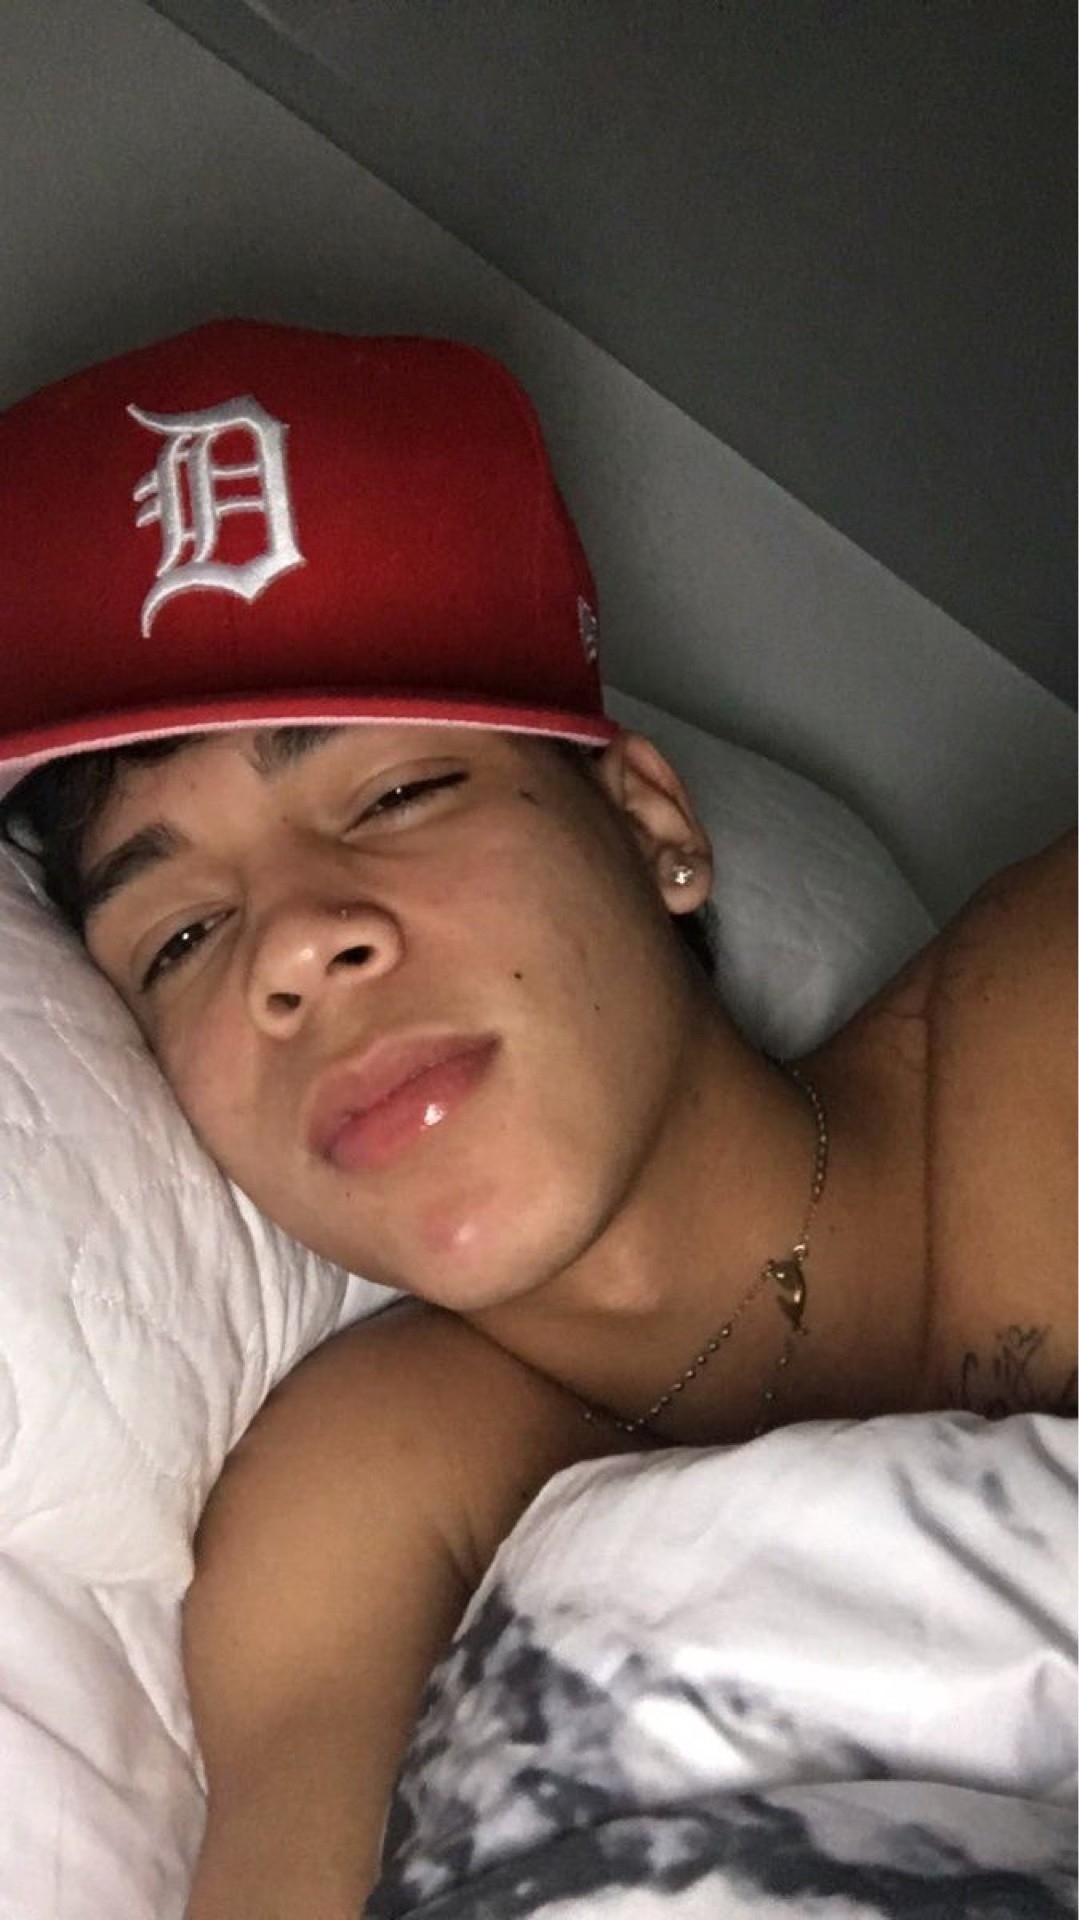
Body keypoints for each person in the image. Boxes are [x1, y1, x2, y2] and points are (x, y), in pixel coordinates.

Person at [0, 320, 1074, 1918]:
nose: (296, 948)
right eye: (183, 936)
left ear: (649, 827)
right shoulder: (368, 1497)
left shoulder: (1047, 1016)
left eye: (395, 796)